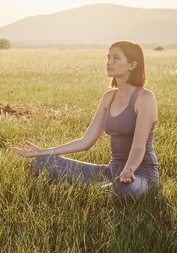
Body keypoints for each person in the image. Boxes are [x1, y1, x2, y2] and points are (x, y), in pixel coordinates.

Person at [12, 40, 159, 198]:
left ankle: (95, 189)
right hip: (111, 171)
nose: (109, 62)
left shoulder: (145, 98)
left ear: (132, 65)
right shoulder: (108, 97)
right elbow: (85, 142)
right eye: (108, 57)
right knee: (42, 162)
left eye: (116, 58)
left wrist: (129, 168)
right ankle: (99, 188)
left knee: (127, 189)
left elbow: (138, 146)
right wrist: (42, 152)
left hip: (140, 175)